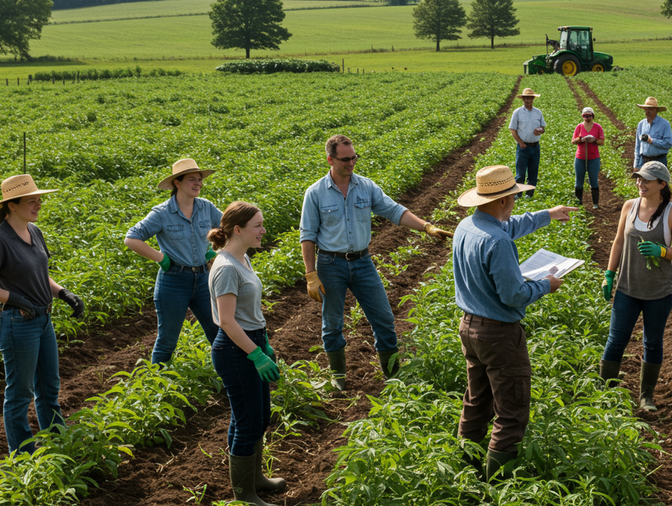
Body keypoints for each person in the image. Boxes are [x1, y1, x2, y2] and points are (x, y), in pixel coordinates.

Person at [452, 165, 577, 479]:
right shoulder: (498, 241)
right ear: (505, 200)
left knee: (476, 401)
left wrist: (547, 214)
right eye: (514, 198)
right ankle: (499, 488)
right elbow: (513, 295)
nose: (515, 204)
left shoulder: (467, 226)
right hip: (498, 335)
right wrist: (546, 285)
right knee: (510, 413)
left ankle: (466, 477)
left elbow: (511, 226)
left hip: (470, 327)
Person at [300, 135, 453, 390]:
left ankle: (392, 374)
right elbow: (307, 236)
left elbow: (394, 211)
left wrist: (426, 227)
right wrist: (310, 274)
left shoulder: (366, 186)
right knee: (333, 322)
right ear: (331, 159)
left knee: (383, 317)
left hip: (362, 262)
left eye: (354, 157)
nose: (352, 163)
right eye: (346, 159)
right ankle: (338, 377)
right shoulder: (315, 193)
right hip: (330, 264)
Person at [0, 175, 85, 454]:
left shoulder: (34, 231)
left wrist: (63, 293)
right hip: (17, 323)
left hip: (42, 319)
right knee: (19, 395)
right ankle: (23, 457)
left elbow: (39, 274)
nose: (38, 204)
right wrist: (15, 298)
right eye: (32, 201)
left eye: (39, 199)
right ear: (12, 205)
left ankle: (57, 444)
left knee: (48, 388)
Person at [207, 201, 284, 506]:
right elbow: (226, 321)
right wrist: (256, 354)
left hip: (251, 342)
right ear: (237, 230)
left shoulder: (243, 259)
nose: (263, 230)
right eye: (258, 226)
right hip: (235, 350)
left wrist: (263, 341)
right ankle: (245, 495)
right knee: (248, 421)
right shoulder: (225, 267)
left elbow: (249, 312)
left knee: (258, 417)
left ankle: (255, 479)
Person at [599, 161, 672, 411]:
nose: (640, 184)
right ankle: (606, 393)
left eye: (646, 180)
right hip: (627, 287)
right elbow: (618, 242)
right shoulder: (629, 207)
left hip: (658, 292)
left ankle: (646, 397)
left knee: (652, 343)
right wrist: (609, 274)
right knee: (616, 340)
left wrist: (662, 251)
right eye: (638, 179)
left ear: (662, 184)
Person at [125, 159, 222, 364]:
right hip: (173, 281)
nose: (198, 183)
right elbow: (131, 238)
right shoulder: (161, 213)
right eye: (192, 180)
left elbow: (228, 228)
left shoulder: (207, 208)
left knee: (218, 332)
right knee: (167, 340)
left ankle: (228, 376)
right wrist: (161, 259)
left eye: (200, 179)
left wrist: (214, 251)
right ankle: (156, 386)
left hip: (204, 278)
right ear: (177, 183)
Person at [508, 87, 546, 198]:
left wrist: (540, 131)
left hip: (535, 147)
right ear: (522, 99)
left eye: (529, 98)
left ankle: (529, 195)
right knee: (520, 173)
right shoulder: (517, 112)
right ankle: (518, 195)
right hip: (523, 147)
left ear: (533, 99)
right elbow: (513, 129)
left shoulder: (538, 113)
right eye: (525, 98)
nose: (527, 101)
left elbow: (543, 128)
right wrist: (520, 143)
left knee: (533, 172)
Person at [571, 106, 606, 209]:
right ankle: (579, 203)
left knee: (593, 180)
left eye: (589, 116)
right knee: (579, 181)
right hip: (580, 158)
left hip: (594, 158)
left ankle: (595, 203)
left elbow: (602, 142)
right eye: (585, 116)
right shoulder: (579, 127)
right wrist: (581, 139)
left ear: (592, 116)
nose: (587, 118)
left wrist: (594, 140)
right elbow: (573, 141)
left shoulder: (598, 127)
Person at [633, 97, 672, 170]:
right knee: (643, 181)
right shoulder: (641, 124)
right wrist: (636, 164)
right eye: (646, 109)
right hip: (643, 161)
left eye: (650, 109)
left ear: (656, 110)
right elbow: (637, 145)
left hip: (659, 161)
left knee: (658, 181)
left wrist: (652, 141)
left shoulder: (665, 124)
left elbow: (668, 144)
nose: (648, 112)